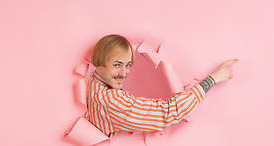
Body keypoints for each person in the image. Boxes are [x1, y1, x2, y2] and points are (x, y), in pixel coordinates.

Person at [84, 34, 238, 138]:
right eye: (117, 65)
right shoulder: (111, 101)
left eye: (128, 65)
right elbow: (167, 112)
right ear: (99, 64)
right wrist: (213, 79)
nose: (124, 73)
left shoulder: (93, 81)